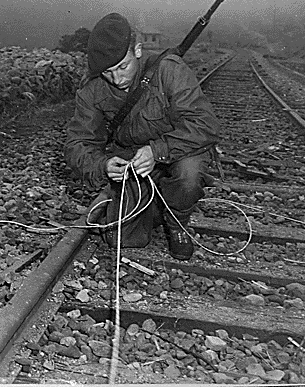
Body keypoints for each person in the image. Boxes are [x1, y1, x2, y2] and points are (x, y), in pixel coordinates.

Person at [64, 13, 220, 260]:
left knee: (188, 173)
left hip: (178, 155)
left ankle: (177, 222)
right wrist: (102, 165)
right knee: (123, 239)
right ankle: (152, 200)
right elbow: (76, 144)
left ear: (137, 50)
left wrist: (157, 151)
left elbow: (205, 124)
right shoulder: (91, 90)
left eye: (122, 67)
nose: (117, 79)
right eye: (107, 72)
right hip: (133, 165)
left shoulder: (168, 70)